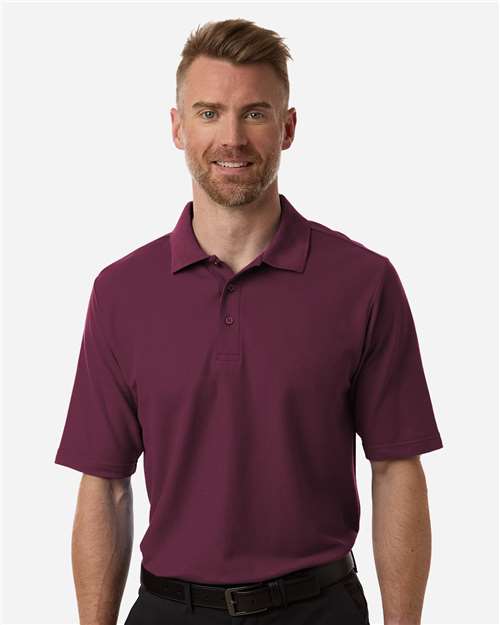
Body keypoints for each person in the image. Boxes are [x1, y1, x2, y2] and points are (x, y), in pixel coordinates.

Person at [54, 18, 444, 625]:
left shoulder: (364, 282)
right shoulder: (120, 292)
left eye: (255, 113)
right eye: (209, 113)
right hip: (170, 611)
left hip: (320, 610)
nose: (231, 138)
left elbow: (396, 468)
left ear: (287, 128)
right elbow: (105, 485)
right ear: (178, 127)